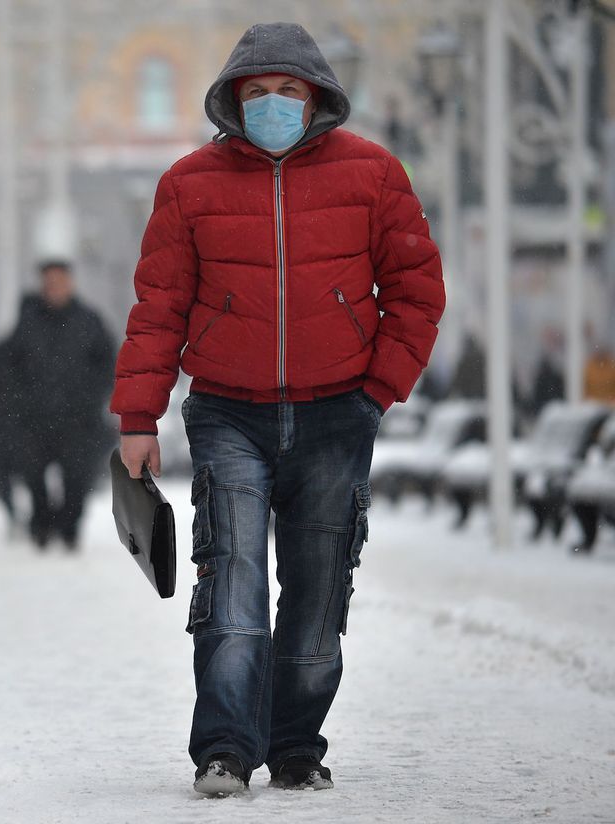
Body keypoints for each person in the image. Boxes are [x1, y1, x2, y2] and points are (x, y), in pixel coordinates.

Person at [112, 23, 445, 797]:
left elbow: (417, 293)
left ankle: (297, 745)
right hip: (229, 413)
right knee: (230, 582)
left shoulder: (374, 174)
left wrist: (376, 392)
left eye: (287, 92)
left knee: (319, 588)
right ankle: (224, 747)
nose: (270, 105)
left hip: (338, 414)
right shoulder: (189, 184)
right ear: (232, 100)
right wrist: (137, 419)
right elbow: (157, 308)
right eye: (255, 93)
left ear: (317, 98)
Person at [5, 260, 115, 549]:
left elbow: (108, 362)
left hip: (78, 418)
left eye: (58, 281)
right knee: (33, 476)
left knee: (77, 479)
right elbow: (10, 365)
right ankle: (41, 525)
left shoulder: (89, 320)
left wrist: (92, 396)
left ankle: (69, 527)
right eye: (48, 283)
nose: (53, 288)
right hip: (35, 418)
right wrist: (20, 400)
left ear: (70, 283)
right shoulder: (28, 321)